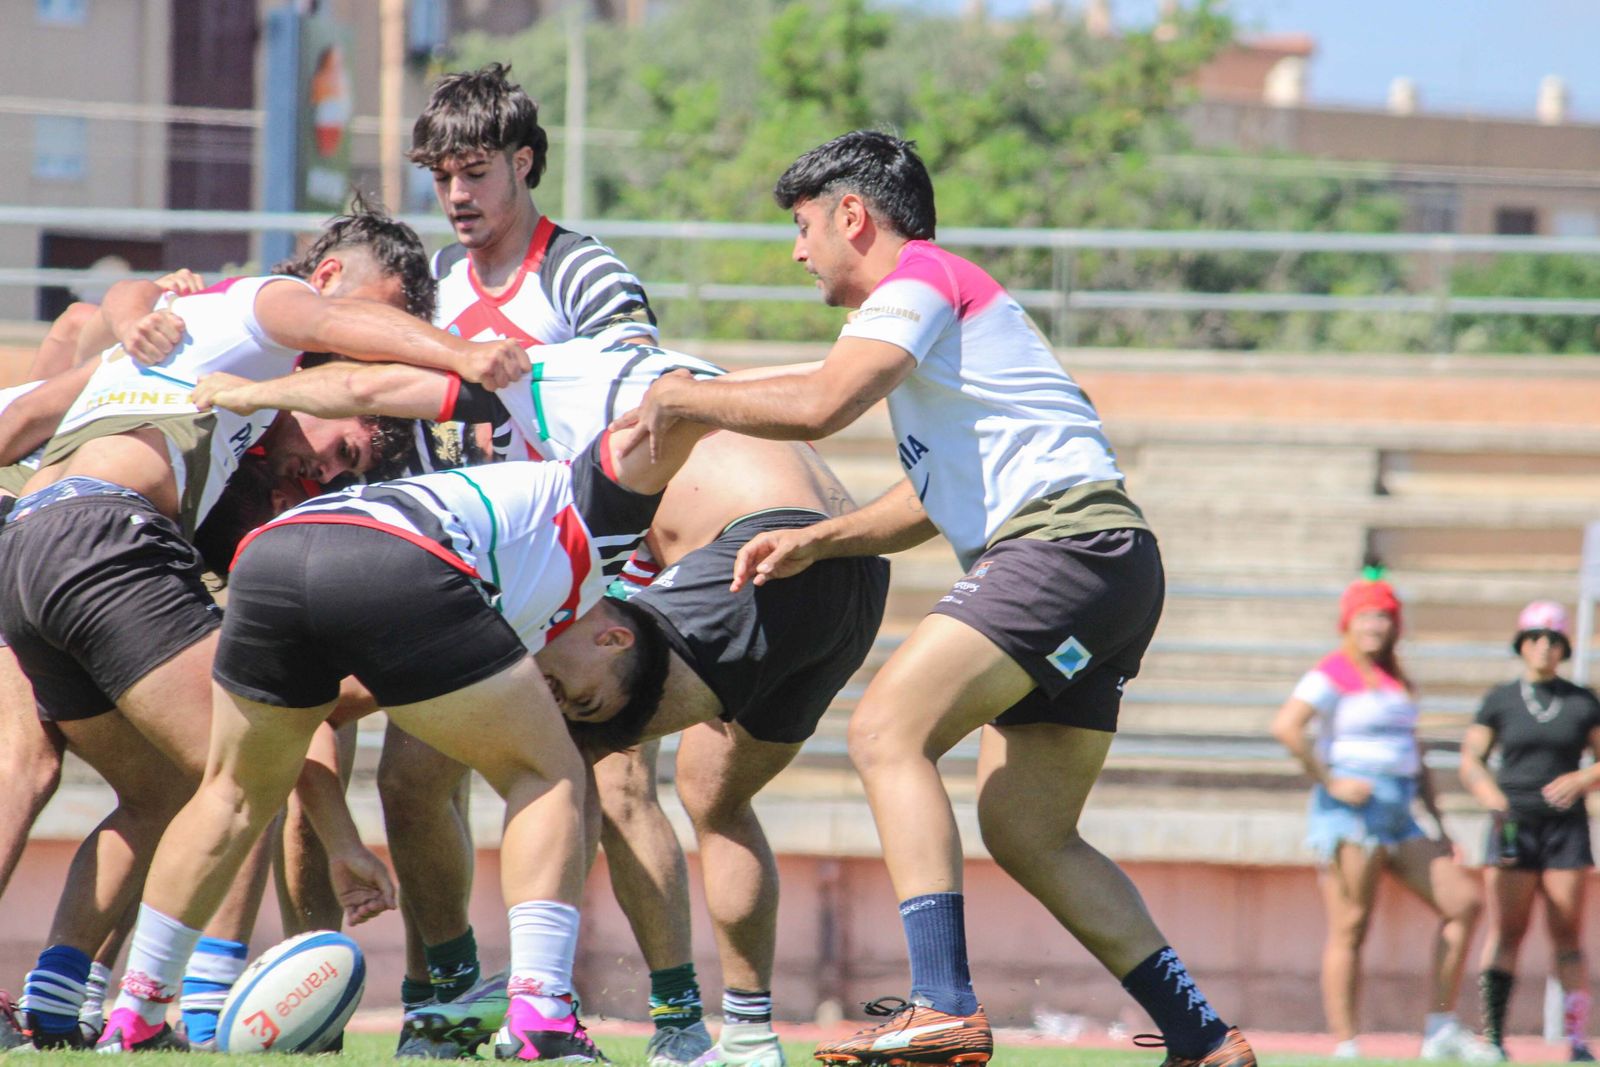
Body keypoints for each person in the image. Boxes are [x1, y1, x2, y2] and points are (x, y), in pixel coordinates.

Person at [615, 130, 1250, 1067]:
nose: (797, 252)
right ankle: (1202, 1035)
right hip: (1109, 563)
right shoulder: (946, 319)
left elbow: (821, 404)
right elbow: (931, 497)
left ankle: (942, 1002)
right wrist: (822, 538)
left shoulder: (918, 280)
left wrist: (685, 397)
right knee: (1027, 829)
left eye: (802, 228)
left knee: (886, 730)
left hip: (1062, 548)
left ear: (852, 217)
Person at [195, 333, 887, 1067]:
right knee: (714, 799)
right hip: (849, 570)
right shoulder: (631, 415)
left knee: (551, 748)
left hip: (754, 553)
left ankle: (520, 1003)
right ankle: (744, 1038)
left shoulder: (537, 383)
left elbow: (364, 388)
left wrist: (244, 393)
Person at [0, 205, 527, 1049]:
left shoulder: (189, 353)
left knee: (161, 791)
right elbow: (331, 329)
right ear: (329, 277)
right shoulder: (264, 305)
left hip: (27, 546)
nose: (371, 343)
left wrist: (135, 318)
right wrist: (462, 356)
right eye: (381, 316)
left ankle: (59, 1006)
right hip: (106, 537)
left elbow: (22, 422)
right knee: (236, 770)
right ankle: (146, 1011)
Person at [95, 413, 711, 1058]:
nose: (558, 701)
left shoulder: (514, 599)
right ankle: (542, 1015)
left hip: (272, 553)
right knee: (550, 772)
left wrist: (341, 842)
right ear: (612, 638)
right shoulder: (594, 513)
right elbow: (670, 407)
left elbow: (327, 711)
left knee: (230, 793)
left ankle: (135, 1015)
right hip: (395, 550)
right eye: (582, 697)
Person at [376, 61, 705, 1067]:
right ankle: (445, 1000)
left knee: (618, 785)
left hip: (582, 567)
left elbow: (642, 393)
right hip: (474, 568)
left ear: (524, 163)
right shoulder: (431, 283)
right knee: (409, 777)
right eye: (441, 177)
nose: (457, 194)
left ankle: (681, 1022)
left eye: (474, 171)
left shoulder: (581, 271)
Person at [1272, 577, 1494, 1062]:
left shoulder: (1397, 679)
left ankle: (1439, 1028)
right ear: (1348, 621)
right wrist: (1331, 780)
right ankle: (1346, 1043)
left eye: (1384, 616)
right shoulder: (1332, 671)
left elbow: (1416, 754)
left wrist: (1439, 823)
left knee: (1463, 903)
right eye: (1366, 615)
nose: (1375, 625)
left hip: (1402, 815)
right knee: (1351, 925)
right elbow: (1287, 726)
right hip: (1352, 816)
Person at [1461, 601, 1600, 1062]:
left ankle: (1577, 1041)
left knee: (1567, 933)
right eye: (1536, 638)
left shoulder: (1582, 701)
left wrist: (1583, 778)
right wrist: (1491, 797)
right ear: (1521, 644)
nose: (1544, 647)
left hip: (1565, 829)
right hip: (1513, 825)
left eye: (1553, 639)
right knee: (1507, 931)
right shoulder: (1500, 699)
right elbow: (1472, 759)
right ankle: (1493, 1037)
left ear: (1564, 647)